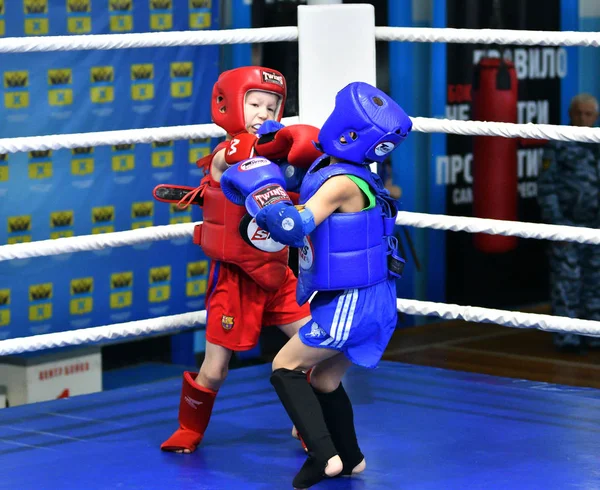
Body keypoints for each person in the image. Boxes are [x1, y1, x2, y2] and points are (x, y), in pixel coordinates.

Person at [220, 81, 412, 488]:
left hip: (351, 302)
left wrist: (262, 191)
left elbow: (293, 226)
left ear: (347, 129)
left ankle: (324, 457)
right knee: (324, 379)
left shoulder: (341, 184)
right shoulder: (355, 173)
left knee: (284, 367)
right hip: (373, 297)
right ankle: (352, 456)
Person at [153, 66, 322, 453]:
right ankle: (189, 428)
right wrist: (294, 144)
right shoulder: (223, 156)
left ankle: (309, 425)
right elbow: (245, 155)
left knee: (314, 346)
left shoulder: (279, 157)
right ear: (230, 105)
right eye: (255, 104)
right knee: (215, 369)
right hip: (234, 279)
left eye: (273, 105)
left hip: (279, 274)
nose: (264, 113)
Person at [537, 93, 600, 352]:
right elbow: (546, 185)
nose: (583, 119)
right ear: (570, 114)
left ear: (595, 117)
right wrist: (556, 224)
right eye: (579, 113)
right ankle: (568, 338)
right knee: (567, 281)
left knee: (595, 281)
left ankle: (593, 333)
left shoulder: (598, 141)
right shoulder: (558, 143)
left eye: (589, 114)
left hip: (596, 226)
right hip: (567, 224)